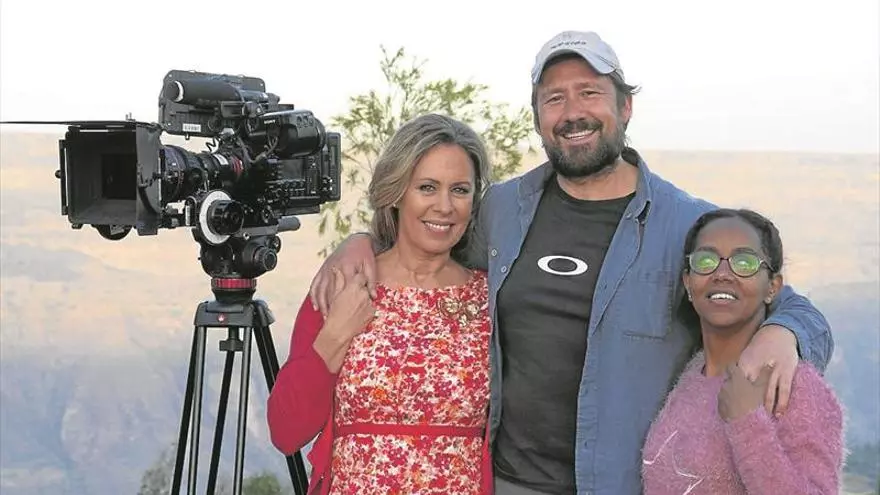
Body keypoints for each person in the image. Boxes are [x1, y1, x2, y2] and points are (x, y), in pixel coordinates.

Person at [307, 31, 834, 495]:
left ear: (625, 107)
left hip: (623, 484)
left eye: (589, 93)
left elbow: (791, 307)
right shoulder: (501, 211)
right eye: (554, 98)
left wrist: (783, 333)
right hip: (507, 481)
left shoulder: (685, 225)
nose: (572, 112)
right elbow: (420, 245)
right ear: (538, 117)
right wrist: (360, 241)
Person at [266, 113, 495, 494]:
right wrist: (335, 335)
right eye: (427, 187)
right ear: (396, 192)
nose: (444, 206)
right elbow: (286, 432)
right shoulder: (343, 285)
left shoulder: (490, 298)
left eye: (459, 190)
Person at [642, 208, 844, 494]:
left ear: (772, 287)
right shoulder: (691, 376)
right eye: (706, 260)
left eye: (745, 262)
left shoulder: (795, 385)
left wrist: (747, 422)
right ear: (688, 282)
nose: (722, 274)